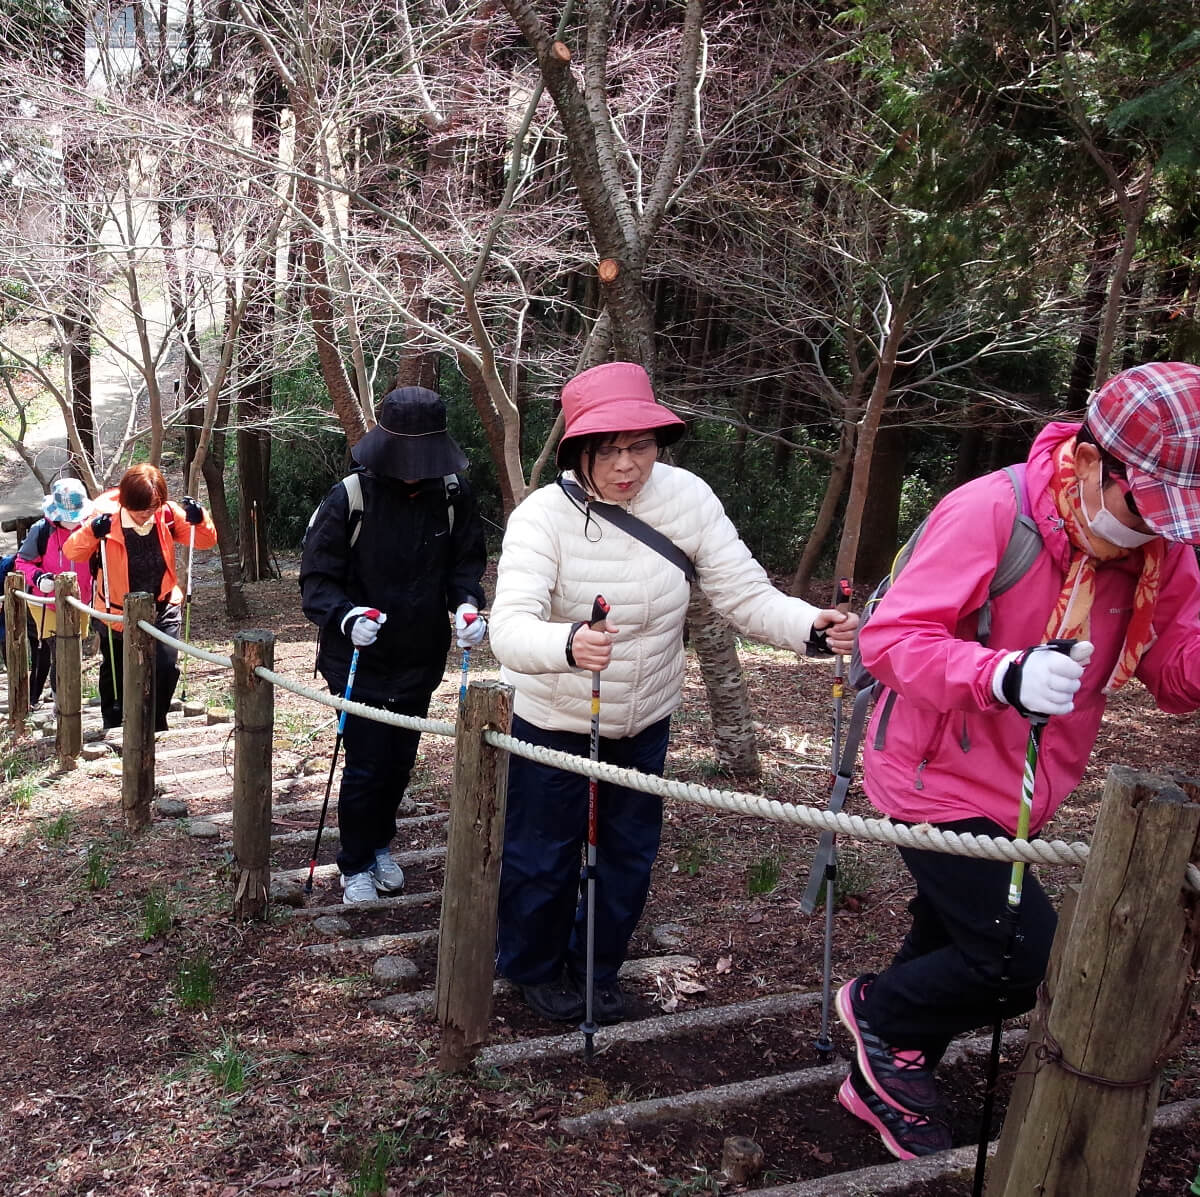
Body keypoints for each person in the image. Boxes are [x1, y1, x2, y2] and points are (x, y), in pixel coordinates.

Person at [834, 361, 1200, 1160]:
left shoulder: (1163, 547)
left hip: (1029, 788)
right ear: (1097, 461)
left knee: (951, 934)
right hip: (930, 772)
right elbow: (890, 639)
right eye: (1153, 504)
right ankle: (882, 1013)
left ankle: (882, 1077)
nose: (1167, 528)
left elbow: (1175, 674)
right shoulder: (993, 511)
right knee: (1019, 951)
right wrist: (1002, 672)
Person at [488, 361, 858, 1025]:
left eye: (640, 445)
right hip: (554, 717)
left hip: (644, 715)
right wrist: (567, 643)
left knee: (629, 852)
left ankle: (597, 964)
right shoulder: (542, 517)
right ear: (577, 449)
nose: (627, 465)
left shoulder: (687, 499)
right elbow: (507, 627)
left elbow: (743, 594)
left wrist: (810, 627)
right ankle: (533, 966)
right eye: (608, 449)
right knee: (543, 853)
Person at [300, 386, 488, 905]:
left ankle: (381, 843)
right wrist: (345, 617)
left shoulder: (452, 495)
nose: (413, 471)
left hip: (419, 654)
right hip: (358, 656)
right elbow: (316, 581)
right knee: (366, 761)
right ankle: (355, 861)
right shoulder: (348, 498)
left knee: (400, 758)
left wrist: (467, 606)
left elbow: (465, 564)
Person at [63, 464, 217, 731]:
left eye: (152, 508)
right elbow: (72, 552)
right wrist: (91, 533)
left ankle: (155, 724)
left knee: (166, 666)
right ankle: (113, 725)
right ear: (126, 502)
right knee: (117, 671)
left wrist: (200, 518)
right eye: (141, 509)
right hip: (116, 609)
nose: (147, 515)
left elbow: (204, 541)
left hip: (164, 602)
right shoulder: (104, 519)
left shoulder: (166, 514)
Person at [15, 478, 95, 706]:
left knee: (73, 648)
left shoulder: (91, 528)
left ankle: (65, 697)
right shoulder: (41, 530)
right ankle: (64, 704)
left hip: (81, 599)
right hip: (45, 601)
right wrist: (39, 578)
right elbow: (22, 562)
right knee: (60, 648)